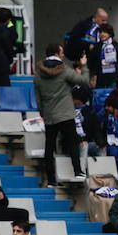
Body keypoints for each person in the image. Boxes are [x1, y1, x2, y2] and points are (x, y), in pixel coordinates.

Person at [34, 43, 90, 185]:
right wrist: (83, 66)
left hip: (49, 115)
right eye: (62, 52)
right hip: (65, 114)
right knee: (73, 143)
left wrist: (43, 113)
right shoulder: (64, 70)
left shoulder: (38, 73)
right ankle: (78, 171)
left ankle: (51, 179)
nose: (64, 55)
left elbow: (38, 97)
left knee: (49, 148)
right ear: (57, 54)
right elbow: (84, 81)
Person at [87, 23, 118, 89]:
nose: (102, 34)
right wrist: (93, 76)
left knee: (113, 97)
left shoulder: (116, 46)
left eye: (105, 32)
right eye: (100, 32)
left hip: (113, 78)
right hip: (100, 78)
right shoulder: (97, 47)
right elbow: (91, 63)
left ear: (110, 33)